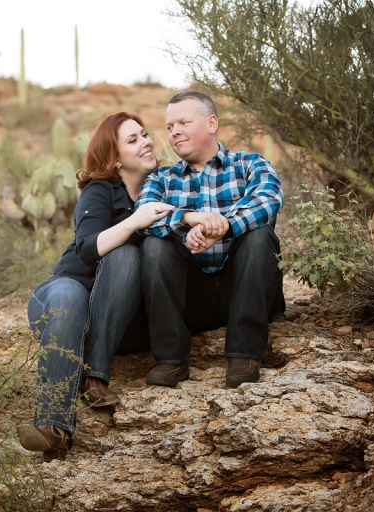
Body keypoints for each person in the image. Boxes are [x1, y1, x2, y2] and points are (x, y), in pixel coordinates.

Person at [17, 112, 172, 462]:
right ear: (115, 158)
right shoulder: (100, 190)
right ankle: (53, 429)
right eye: (133, 140)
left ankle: (95, 375)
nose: (146, 142)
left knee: (128, 256)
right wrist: (135, 220)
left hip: (120, 319)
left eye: (145, 135)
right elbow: (87, 247)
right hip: (66, 292)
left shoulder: (165, 185)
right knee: (73, 293)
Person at [136, 91, 286, 389]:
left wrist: (225, 226)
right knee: (153, 245)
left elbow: (269, 199)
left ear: (211, 123)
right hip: (192, 297)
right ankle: (171, 360)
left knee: (260, 235)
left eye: (183, 122)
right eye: (169, 127)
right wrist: (186, 220)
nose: (174, 131)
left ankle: (244, 354)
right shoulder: (161, 179)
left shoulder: (250, 164)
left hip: (243, 288)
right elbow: (145, 216)